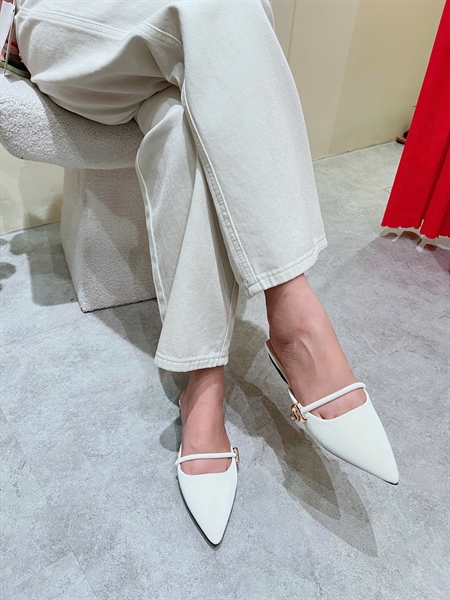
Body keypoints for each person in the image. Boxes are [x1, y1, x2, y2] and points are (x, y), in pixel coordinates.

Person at [2, 0, 398, 545]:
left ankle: (203, 384)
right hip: (64, 27)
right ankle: (294, 312)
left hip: (153, 33)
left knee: (179, 124)